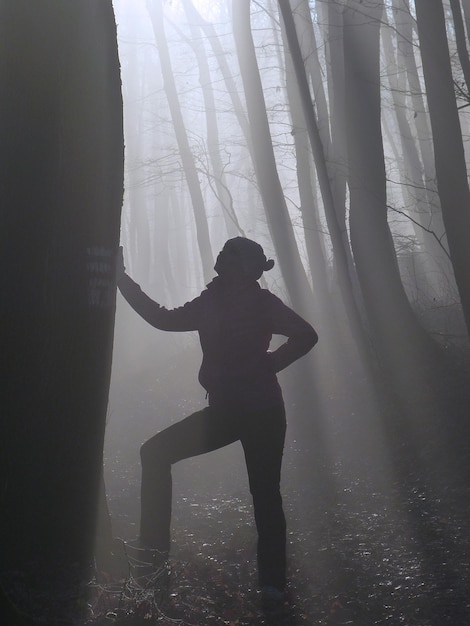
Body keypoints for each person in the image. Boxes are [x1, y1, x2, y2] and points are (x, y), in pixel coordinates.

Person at [116, 237, 318, 605]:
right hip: (225, 412)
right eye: (223, 251)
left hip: (263, 413)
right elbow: (164, 318)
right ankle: (153, 562)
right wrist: (121, 279)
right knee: (155, 453)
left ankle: (273, 586)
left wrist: (270, 364)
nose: (220, 255)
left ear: (246, 267)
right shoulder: (210, 300)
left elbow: (307, 335)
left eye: (230, 253)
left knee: (266, 494)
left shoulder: (262, 303)